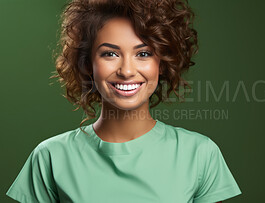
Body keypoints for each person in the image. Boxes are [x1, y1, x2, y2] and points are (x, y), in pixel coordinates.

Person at [6, 0, 242, 202]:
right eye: (110, 54)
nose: (127, 71)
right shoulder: (50, 158)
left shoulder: (200, 154)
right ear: (88, 63)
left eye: (143, 53)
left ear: (161, 63)